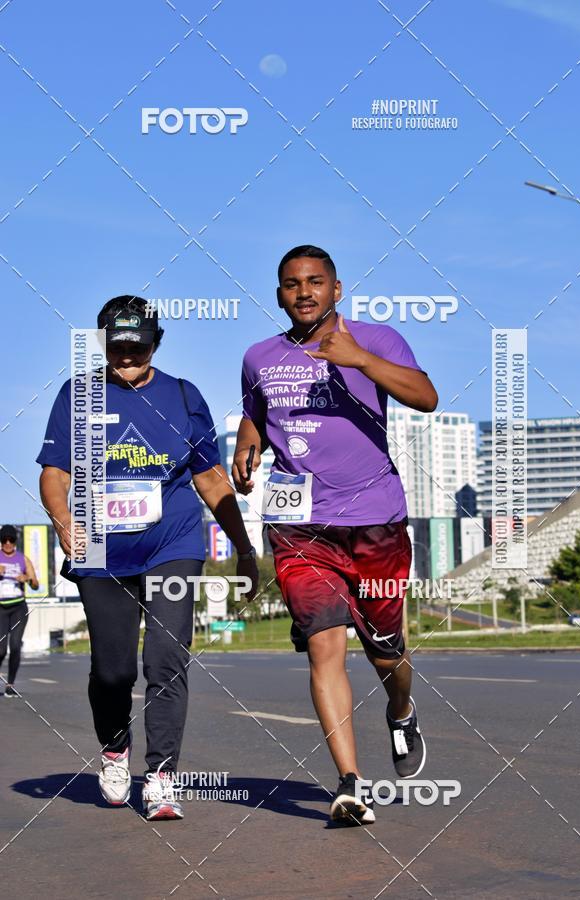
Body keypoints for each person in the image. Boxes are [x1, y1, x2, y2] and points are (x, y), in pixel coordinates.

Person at [232, 246, 438, 825]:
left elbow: (426, 397)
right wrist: (248, 447)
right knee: (324, 642)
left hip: (375, 519)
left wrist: (359, 360)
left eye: (315, 282)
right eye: (292, 284)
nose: (304, 292)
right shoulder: (259, 356)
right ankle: (349, 784)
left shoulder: (377, 338)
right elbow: (257, 413)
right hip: (299, 522)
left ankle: (401, 709)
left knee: (384, 652)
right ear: (279, 294)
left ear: (337, 289)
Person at [38, 296, 258, 820]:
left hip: (173, 545)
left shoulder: (183, 397)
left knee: (165, 657)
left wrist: (245, 547)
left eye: (137, 347)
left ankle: (161, 777)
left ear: (155, 343)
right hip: (101, 553)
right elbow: (54, 472)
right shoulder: (80, 395)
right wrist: (62, 520)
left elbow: (209, 478)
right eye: (117, 347)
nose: (126, 356)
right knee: (113, 672)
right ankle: (115, 749)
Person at [0, 524, 39, 697]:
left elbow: (36, 584)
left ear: (15, 541)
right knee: (1, 649)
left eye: (11, 540)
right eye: (4, 540)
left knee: (15, 645)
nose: (8, 543)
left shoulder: (23, 559)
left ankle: (10, 684)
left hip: (18, 607)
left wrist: (27, 578)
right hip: (0, 608)